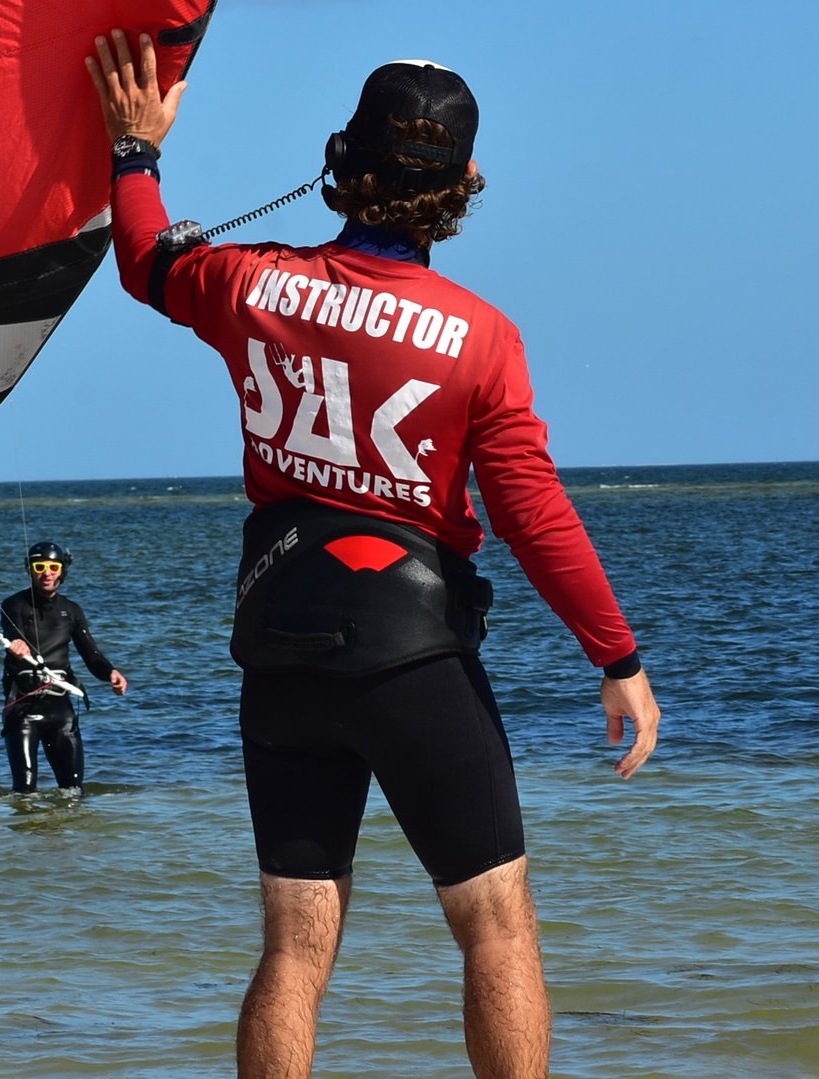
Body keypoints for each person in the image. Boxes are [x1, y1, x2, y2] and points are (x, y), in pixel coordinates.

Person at [86, 33, 663, 1078]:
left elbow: (146, 259)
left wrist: (135, 151)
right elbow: (531, 512)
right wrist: (614, 656)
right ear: (468, 183)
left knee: (293, 951)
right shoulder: (482, 337)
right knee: (496, 927)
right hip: (414, 657)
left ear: (341, 157)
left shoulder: (249, 284)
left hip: (283, 651)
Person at [0, 540, 129, 793]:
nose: (46, 573)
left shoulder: (71, 611)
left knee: (73, 790)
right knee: (24, 791)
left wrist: (110, 672)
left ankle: (70, 832)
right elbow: (11, 632)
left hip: (60, 705)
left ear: (62, 570)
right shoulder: (13, 604)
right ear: (30, 569)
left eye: (53, 567)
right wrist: (16, 645)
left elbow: (91, 655)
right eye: (39, 566)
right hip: (23, 706)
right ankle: (27, 831)